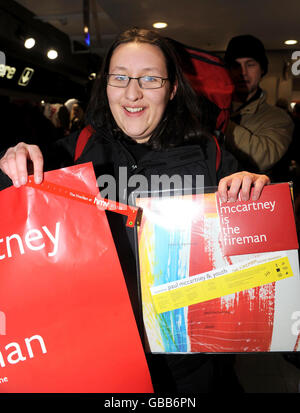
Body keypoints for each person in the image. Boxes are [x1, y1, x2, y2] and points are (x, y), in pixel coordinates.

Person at [0, 28, 269, 393]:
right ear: (106, 84)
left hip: (191, 360)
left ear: (172, 89)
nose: (132, 93)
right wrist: (12, 162)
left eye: (150, 79)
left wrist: (254, 197)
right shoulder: (75, 151)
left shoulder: (210, 154)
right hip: (102, 354)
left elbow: (256, 254)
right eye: (120, 77)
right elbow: (18, 214)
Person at [223, 34, 294, 177]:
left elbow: (262, 157)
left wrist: (220, 122)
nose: (242, 72)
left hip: (251, 197)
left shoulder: (278, 118)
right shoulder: (217, 106)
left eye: (250, 64)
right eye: (236, 66)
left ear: (262, 69)